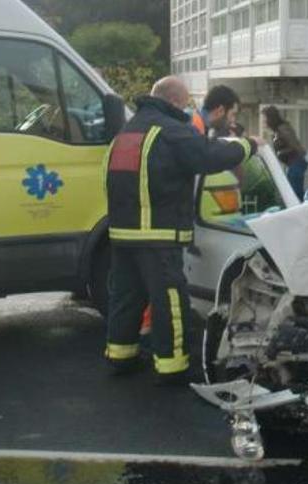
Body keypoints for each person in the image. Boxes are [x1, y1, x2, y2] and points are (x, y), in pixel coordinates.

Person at [104, 76, 259, 385]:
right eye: (187, 102)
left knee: (126, 298)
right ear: (174, 101)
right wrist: (248, 145)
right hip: (158, 235)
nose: (189, 109)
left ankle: (119, 357)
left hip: (123, 233)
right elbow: (208, 156)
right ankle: (172, 368)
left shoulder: (128, 131)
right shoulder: (170, 129)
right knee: (169, 301)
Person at [262, 106, 308, 200]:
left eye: (265, 118)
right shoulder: (276, 131)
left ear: (270, 118)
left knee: (295, 195)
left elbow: (295, 145)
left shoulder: (282, 129)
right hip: (292, 164)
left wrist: (282, 153)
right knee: (294, 193)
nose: (263, 121)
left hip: (296, 164)